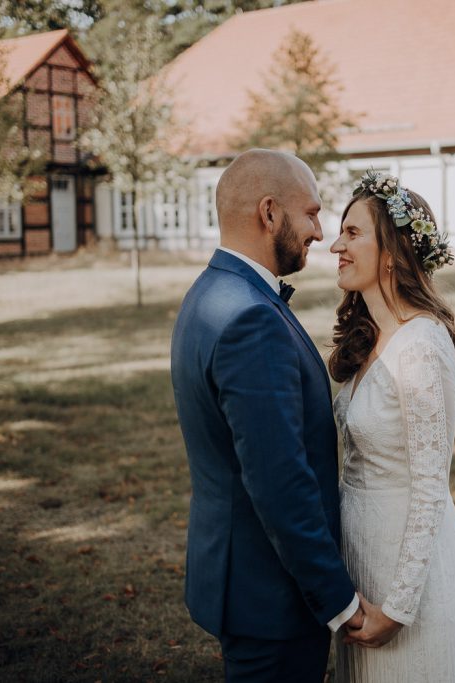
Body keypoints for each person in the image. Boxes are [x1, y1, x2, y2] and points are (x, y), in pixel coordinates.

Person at [170, 149, 364, 682]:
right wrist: (337, 600)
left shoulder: (210, 293)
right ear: (270, 212)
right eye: (311, 213)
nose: (320, 232)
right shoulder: (251, 318)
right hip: (272, 595)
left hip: (240, 577)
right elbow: (279, 480)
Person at [329, 171, 455, 682]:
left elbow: (429, 487)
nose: (336, 244)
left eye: (353, 234)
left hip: (409, 580)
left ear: (394, 252)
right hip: (364, 562)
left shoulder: (421, 346)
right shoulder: (371, 337)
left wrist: (398, 608)